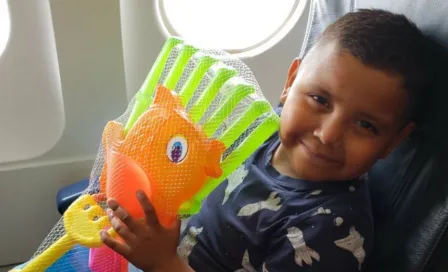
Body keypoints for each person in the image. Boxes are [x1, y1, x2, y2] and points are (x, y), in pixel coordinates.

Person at [100, 9, 431, 272]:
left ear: (393, 142)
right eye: (319, 99)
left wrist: (163, 263)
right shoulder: (262, 133)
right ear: (290, 82)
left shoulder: (328, 231)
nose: (327, 134)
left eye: (364, 124)